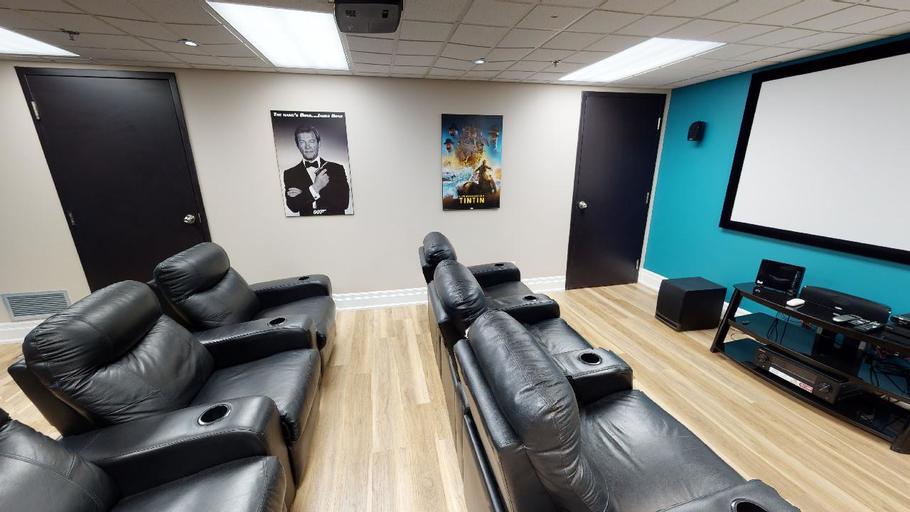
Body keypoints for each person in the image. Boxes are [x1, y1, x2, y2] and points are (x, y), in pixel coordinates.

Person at [283, 126, 350, 216]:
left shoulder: (337, 169)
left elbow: (344, 203)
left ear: (319, 143)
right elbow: (294, 206)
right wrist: (316, 187)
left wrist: (305, 194)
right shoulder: (290, 174)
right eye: (302, 142)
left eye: (311, 141)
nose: (307, 146)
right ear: (298, 146)